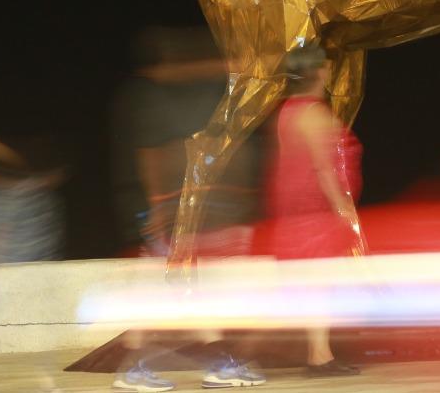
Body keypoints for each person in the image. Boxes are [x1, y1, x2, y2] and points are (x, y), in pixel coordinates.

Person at [108, 28, 266, 392]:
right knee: (171, 291)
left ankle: (207, 362)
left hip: (172, 212)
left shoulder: (156, 94)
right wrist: (158, 209)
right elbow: (150, 155)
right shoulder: (145, 96)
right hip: (162, 213)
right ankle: (207, 363)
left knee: (175, 291)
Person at [263, 45, 362, 379]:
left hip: (294, 210)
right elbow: (324, 170)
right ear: (319, 72)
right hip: (315, 212)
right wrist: (345, 212)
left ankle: (320, 354)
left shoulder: (288, 111)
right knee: (321, 287)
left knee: (315, 287)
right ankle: (320, 357)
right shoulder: (314, 115)